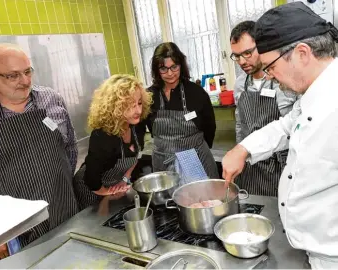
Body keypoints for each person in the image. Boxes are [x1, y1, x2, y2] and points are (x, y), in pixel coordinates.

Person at [222, 2, 338, 268]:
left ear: (302, 53)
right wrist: (243, 149)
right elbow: (286, 125)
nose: (271, 77)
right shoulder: (313, 94)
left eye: (271, 66)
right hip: (312, 249)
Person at [0, 44, 79, 258]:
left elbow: (70, 147)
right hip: (16, 230)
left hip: (64, 210)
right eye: (13, 75)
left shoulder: (51, 99)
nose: (25, 81)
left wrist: (60, 183)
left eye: (28, 72)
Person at [230, 21, 297, 196]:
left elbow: (292, 127)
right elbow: (240, 123)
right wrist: (239, 150)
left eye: (247, 53)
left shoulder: (281, 80)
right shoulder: (240, 84)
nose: (242, 61)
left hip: (277, 165)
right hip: (250, 164)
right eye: (236, 56)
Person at [140, 42, 219, 180]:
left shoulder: (196, 93)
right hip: (163, 163)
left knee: (202, 200)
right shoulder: (148, 96)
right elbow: (141, 127)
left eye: (174, 67)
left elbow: (209, 126)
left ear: (181, 66)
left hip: (196, 160)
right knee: (167, 201)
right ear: (156, 69)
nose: (170, 73)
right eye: (163, 68)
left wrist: (193, 147)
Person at [73, 74, 152, 210]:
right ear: (115, 107)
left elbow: (137, 156)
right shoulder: (102, 136)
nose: (138, 110)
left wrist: (125, 179)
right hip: (91, 188)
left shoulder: (136, 125)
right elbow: (91, 179)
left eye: (139, 103)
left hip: (115, 183)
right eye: (130, 105)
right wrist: (106, 192)